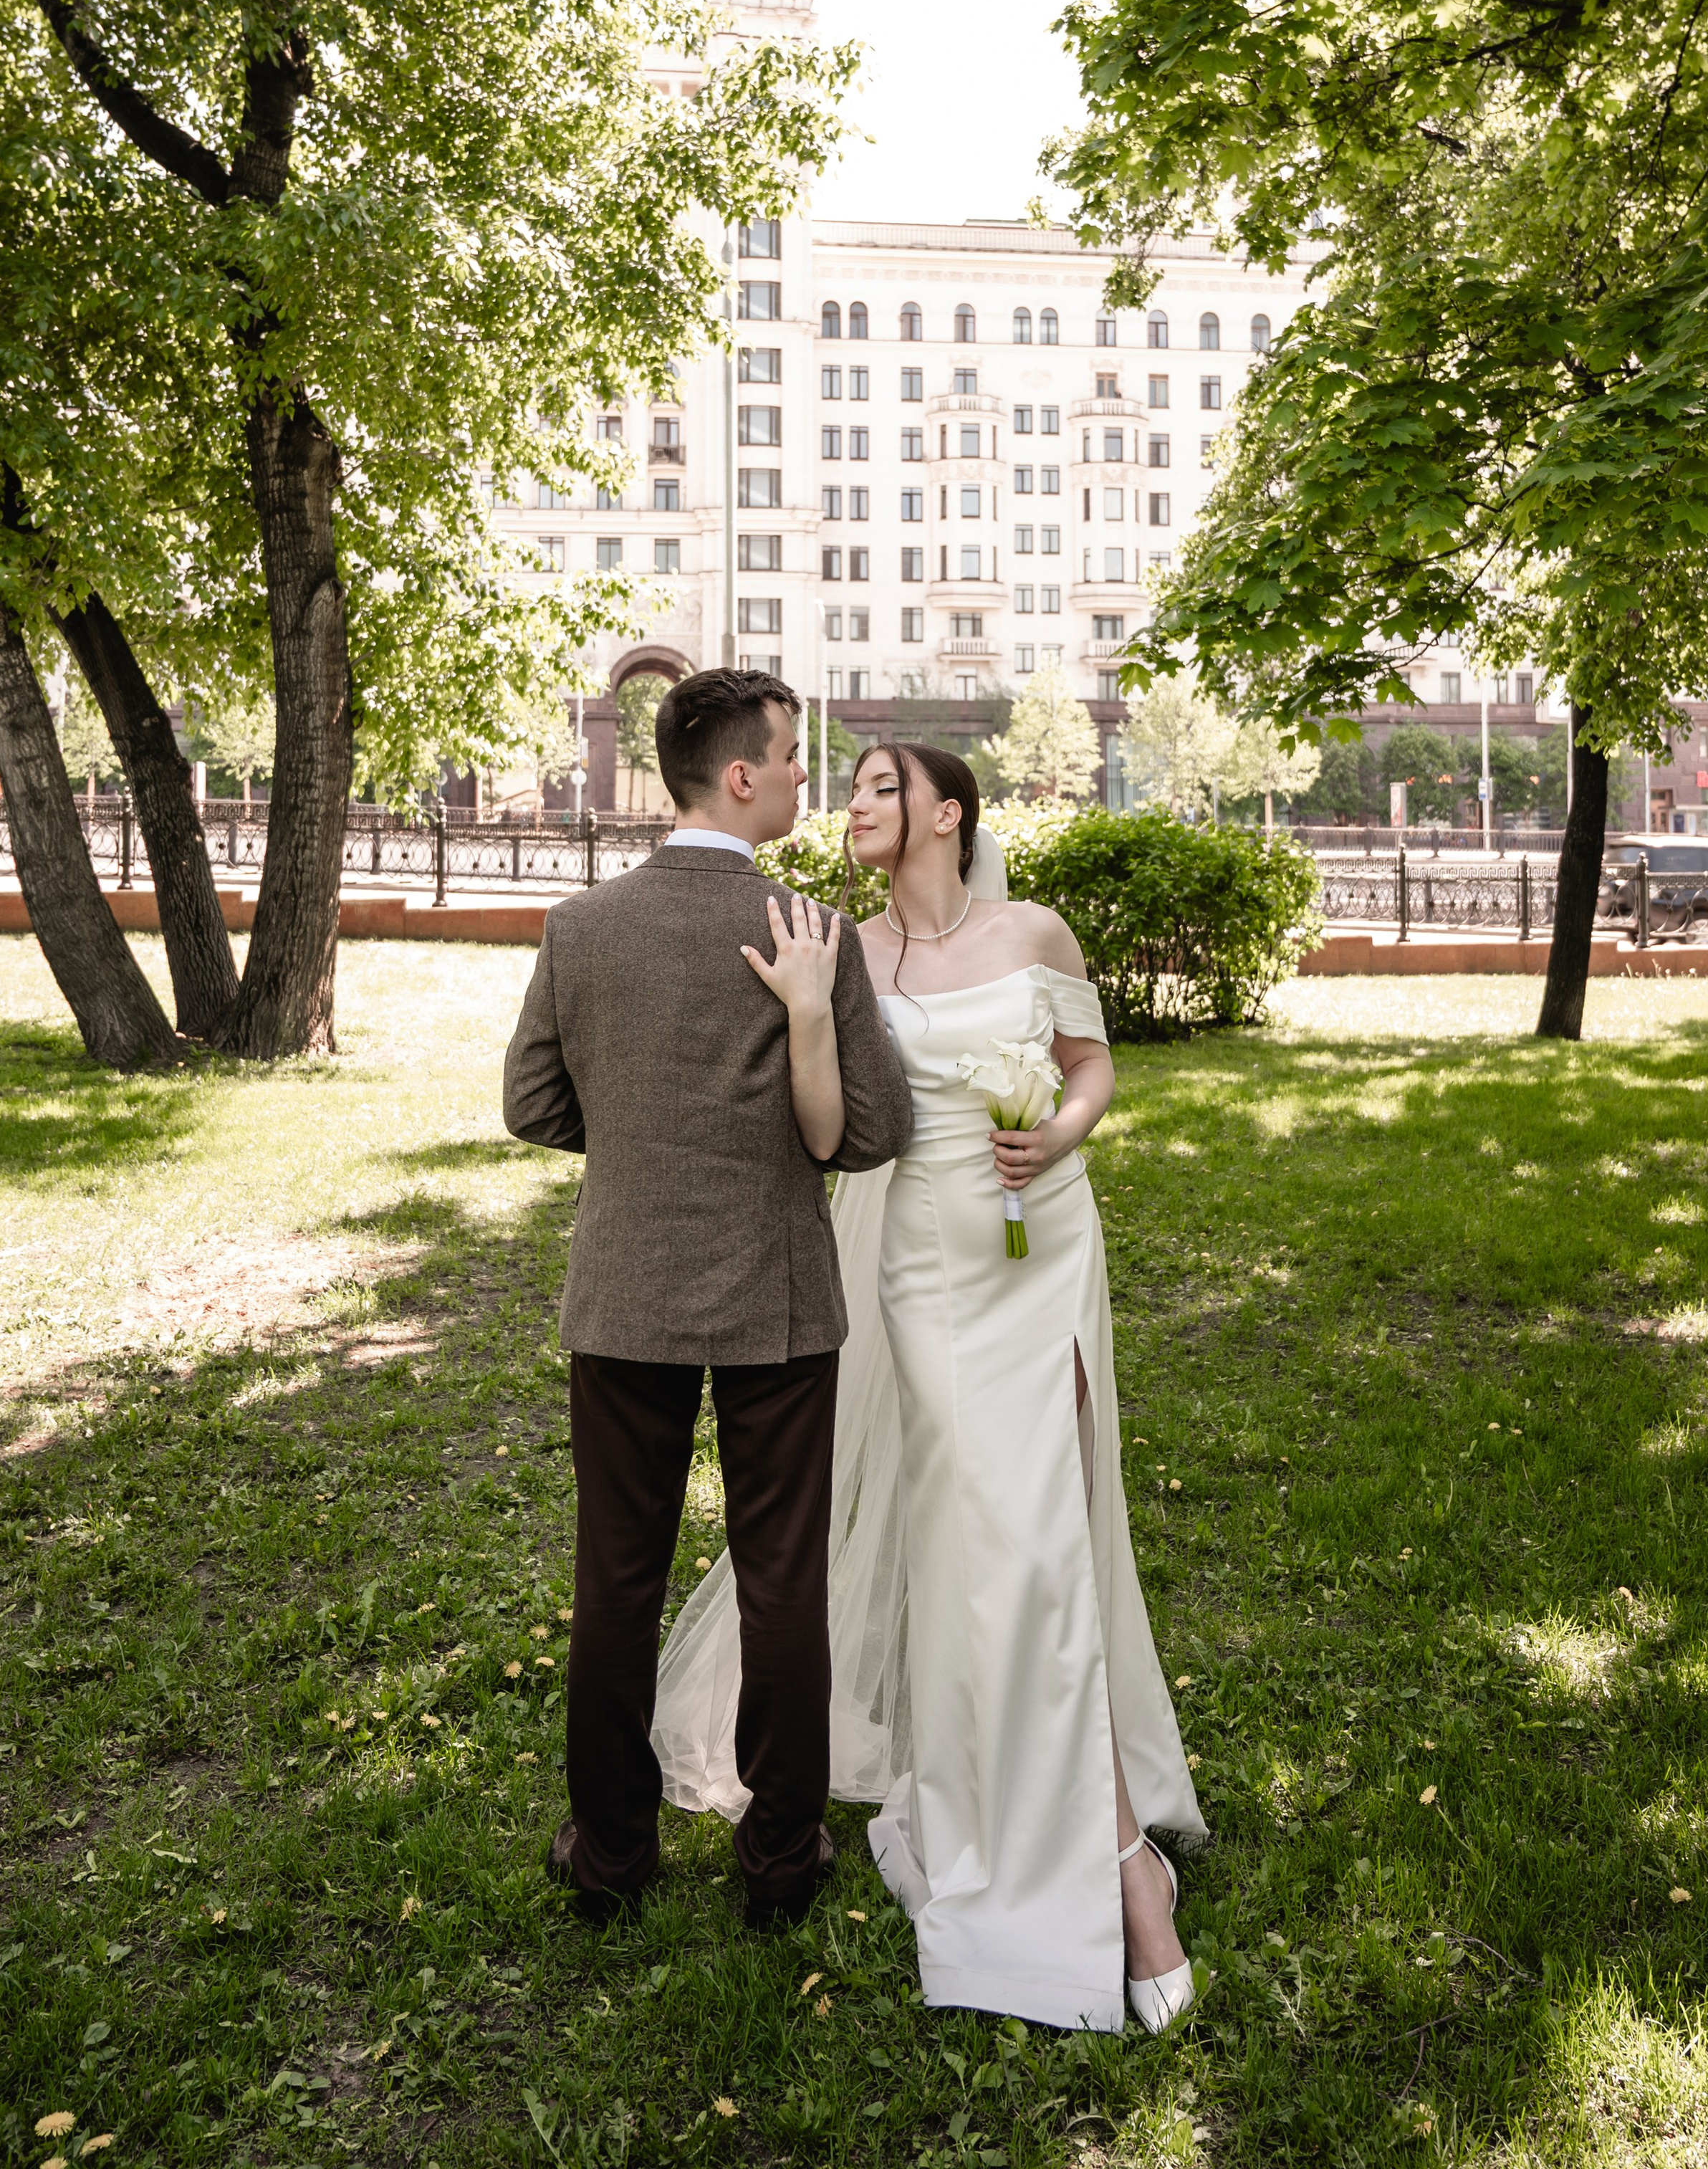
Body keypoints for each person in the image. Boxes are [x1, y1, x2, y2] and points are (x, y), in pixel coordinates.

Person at [653, 742, 1204, 2033]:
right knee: (989, 1538)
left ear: (948, 813)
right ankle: (1117, 1859)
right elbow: (831, 1133)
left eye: (880, 788)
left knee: (1053, 1533)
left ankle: (1110, 1845)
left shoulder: (1036, 929)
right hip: (926, 1268)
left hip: (1046, 1243)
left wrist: (1057, 1135)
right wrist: (800, 1012)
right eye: (844, 788)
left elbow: (1091, 1070)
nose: (852, 804)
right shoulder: (841, 951)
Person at [502, 669, 913, 1928]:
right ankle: (782, 1865)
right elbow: (877, 1129)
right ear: (740, 775)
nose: (802, 776)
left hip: (622, 1289)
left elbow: (532, 1104)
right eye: (791, 756)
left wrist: (638, 1146)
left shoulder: (581, 929)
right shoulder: (810, 931)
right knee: (784, 1577)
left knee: (616, 1578)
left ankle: (613, 1860)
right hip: (778, 1296)